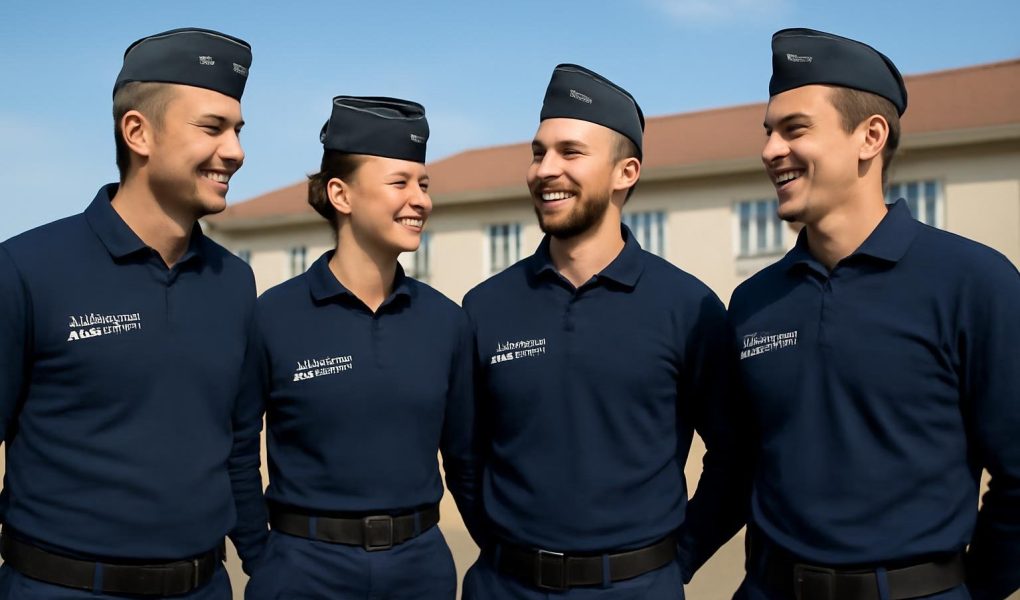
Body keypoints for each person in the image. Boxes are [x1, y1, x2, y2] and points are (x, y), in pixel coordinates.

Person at [729, 28, 1020, 600]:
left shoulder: (974, 282)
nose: (770, 150)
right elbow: (740, 462)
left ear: (870, 136)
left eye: (795, 129)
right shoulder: (753, 302)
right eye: (768, 132)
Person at [460, 63, 751, 598]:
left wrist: (674, 561)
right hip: (505, 587)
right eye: (538, 152)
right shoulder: (485, 307)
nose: (545, 169)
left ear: (626, 172)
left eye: (570, 153)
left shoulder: (687, 307)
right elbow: (465, 454)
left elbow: (737, 456)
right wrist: (508, 555)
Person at [0, 27, 266, 598]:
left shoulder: (235, 282)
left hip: (205, 586)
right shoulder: (26, 268)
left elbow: (241, 444)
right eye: (212, 127)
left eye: (238, 130)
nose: (236, 151)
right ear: (138, 132)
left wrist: (264, 564)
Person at [242, 96, 480, 600]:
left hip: (420, 571)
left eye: (424, 184)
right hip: (302, 571)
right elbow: (236, 452)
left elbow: (465, 459)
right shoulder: (273, 317)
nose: (419, 200)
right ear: (340, 194)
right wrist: (261, 558)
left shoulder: (446, 321)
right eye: (400, 183)